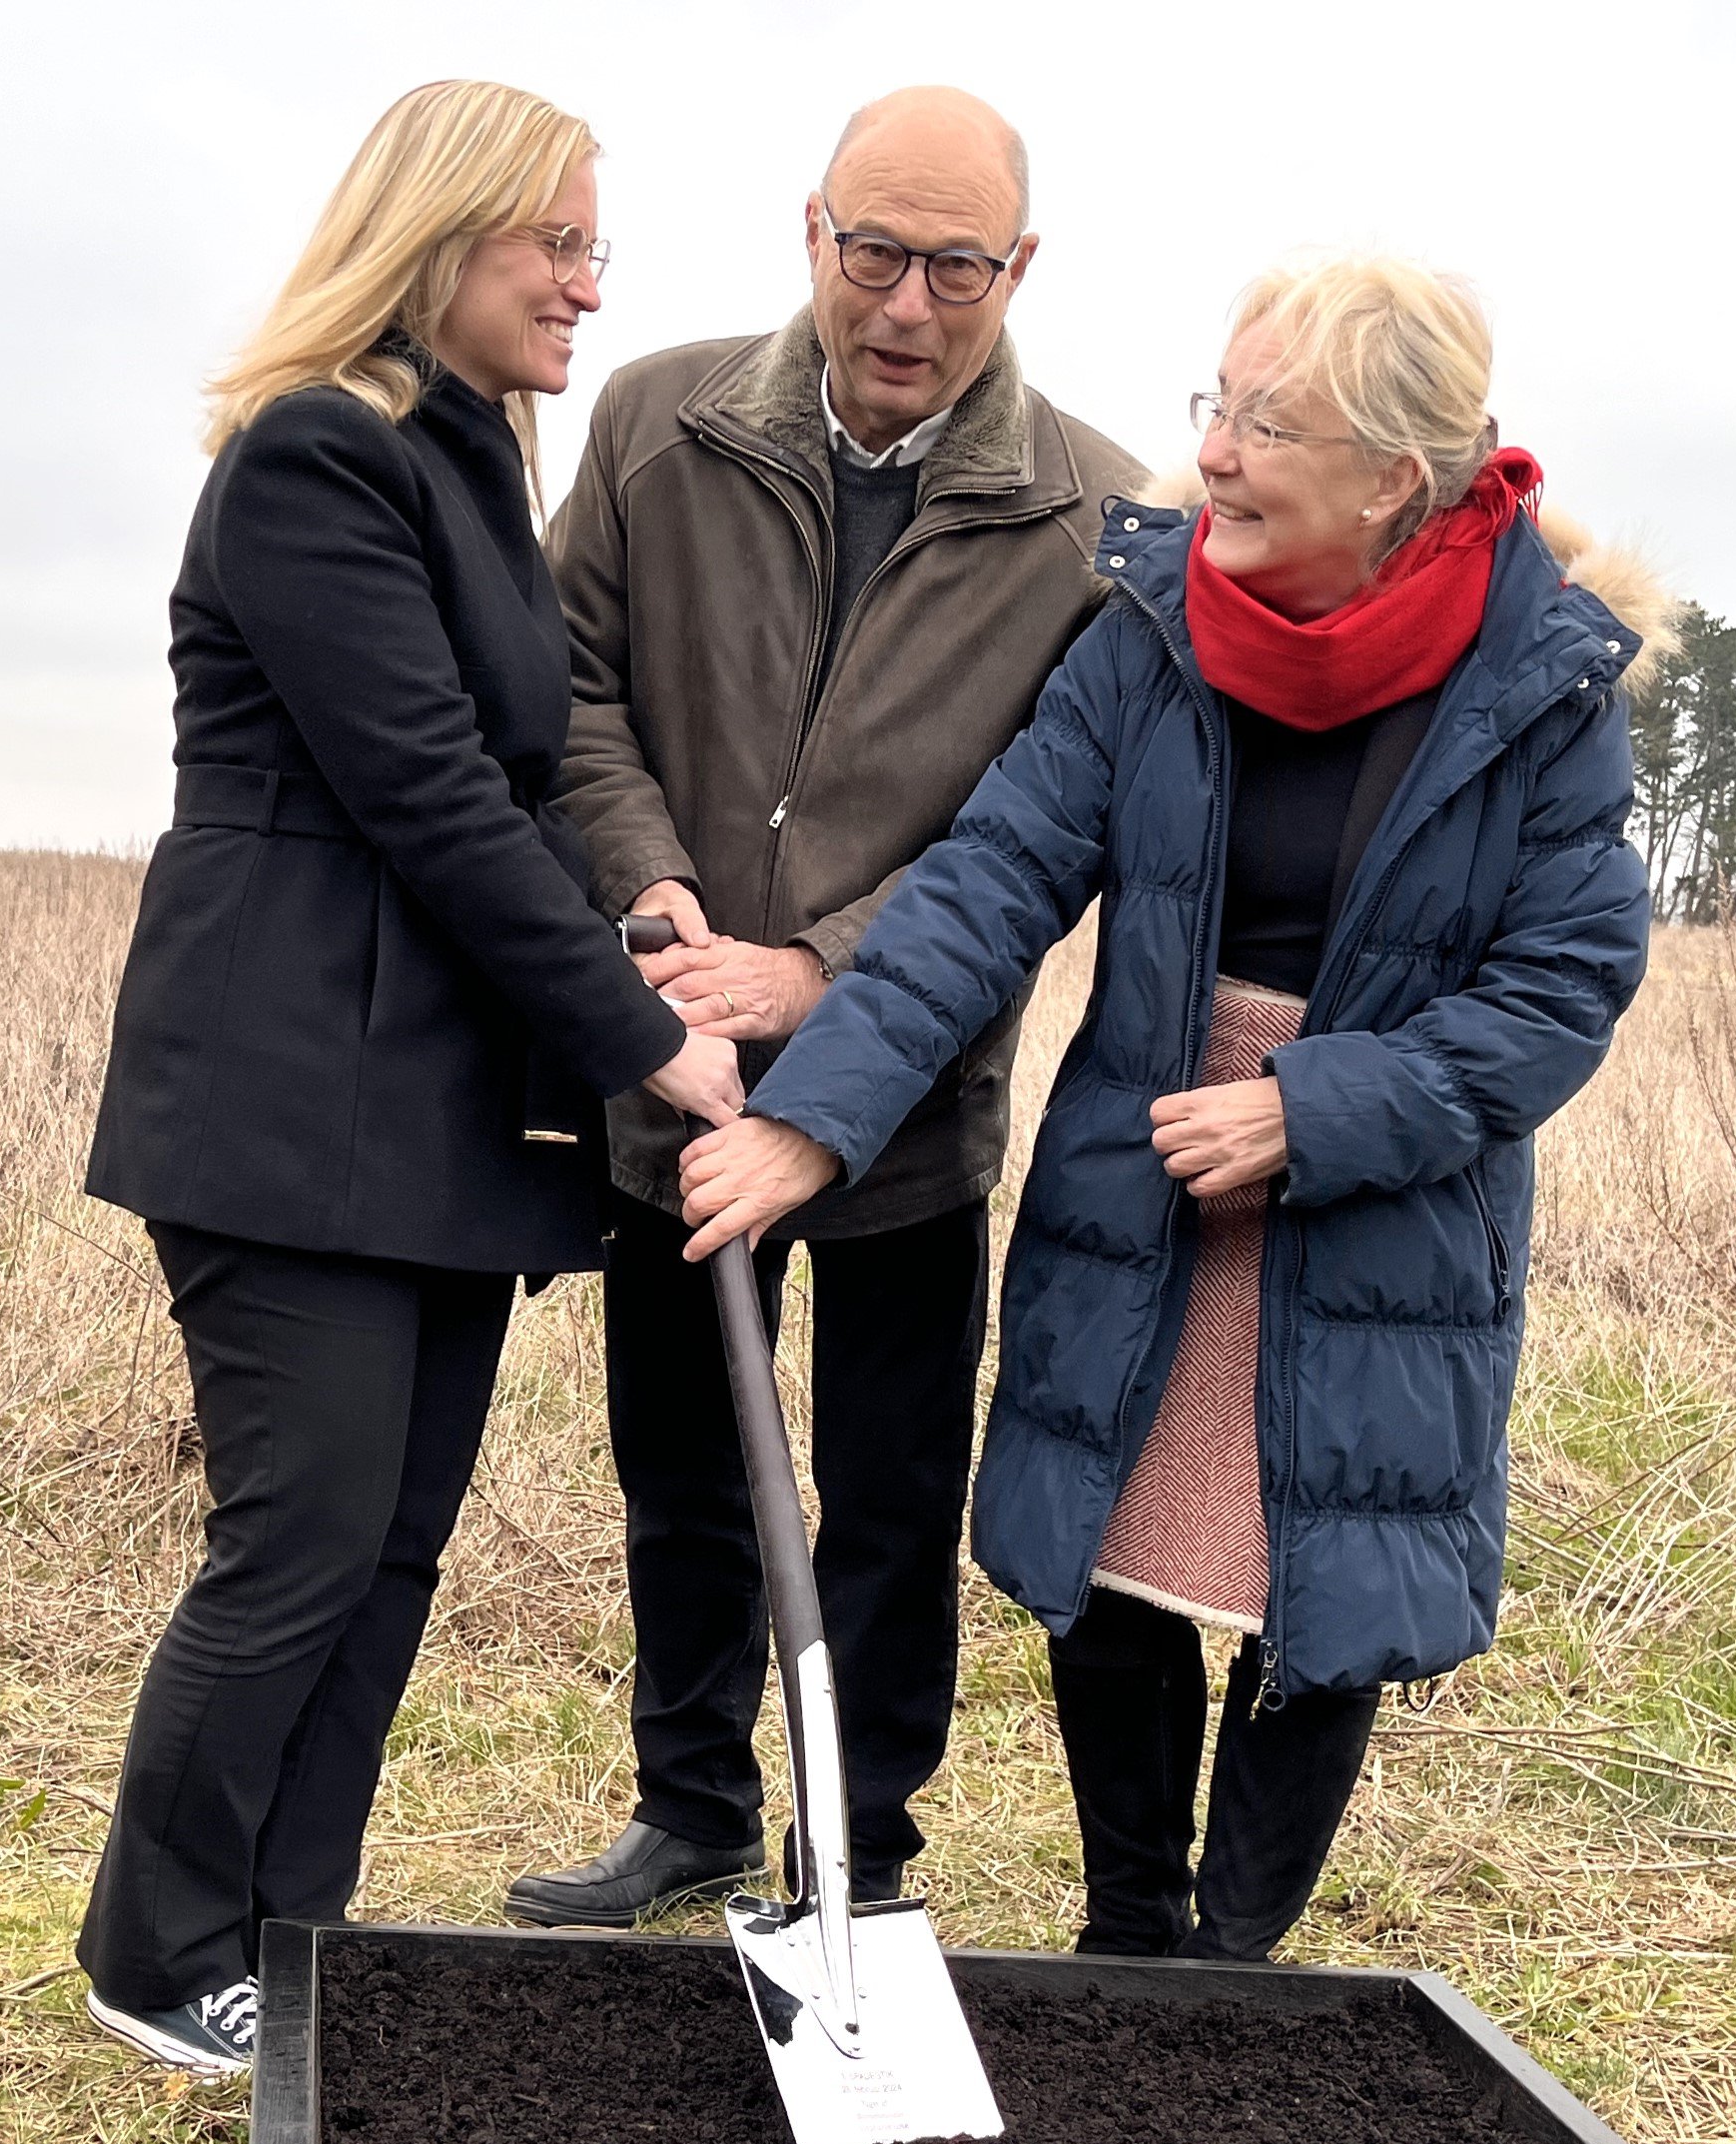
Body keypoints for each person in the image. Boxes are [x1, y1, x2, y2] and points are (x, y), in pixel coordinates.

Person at [678, 253, 1669, 1960]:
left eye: (1266, 426)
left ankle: (1233, 1966)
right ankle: (1130, 1937)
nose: (1211, 452)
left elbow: (1560, 989)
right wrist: (813, 1119)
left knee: (1322, 1579)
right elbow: (989, 883)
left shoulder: (1541, 683)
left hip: (1376, 1197)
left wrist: (1311, 1113)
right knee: (1114, 1544)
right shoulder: (1151, 629)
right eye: (1221, 405)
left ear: (1392, 478)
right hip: (1139, 1173)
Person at [74, 80, 741, 2075]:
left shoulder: (469, 473)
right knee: (301, 1536)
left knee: (387, 1549)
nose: (589, 286)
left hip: (432, 1114)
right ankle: (157, 1949)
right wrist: (647, 1042)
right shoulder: (314, 459)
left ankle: (293, 1936)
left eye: (598, 248)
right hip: (287, 1101)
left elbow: (515, 795)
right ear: (442, 231)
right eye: (559, 243)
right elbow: (429, 800)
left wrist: (635, 921)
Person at [502, 87, 1143, 1928]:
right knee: (684, 1468)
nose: (907, 305)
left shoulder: (1099, 518)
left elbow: (1047, 823)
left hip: (908, 1114)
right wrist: (655, 906)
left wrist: (825, 970)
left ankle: (858, 1855)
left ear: (1021, 267)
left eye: (958, 268)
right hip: (676, 1077)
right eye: (874, 253)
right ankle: (692, 1804)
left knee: (885, 1497)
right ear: (812, 231)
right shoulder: (656, 422)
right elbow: (572, 688)